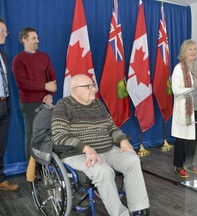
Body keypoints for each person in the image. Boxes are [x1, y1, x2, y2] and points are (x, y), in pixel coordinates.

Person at [51, 74, 150, 216]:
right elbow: (59, 136)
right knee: (103, 171)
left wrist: (123, 140)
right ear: (75, 91)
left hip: (106, 149)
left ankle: (139, 208)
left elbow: (111, 127)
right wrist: (86, 148)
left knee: (132, 160)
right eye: (88, 86)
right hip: (77, 154)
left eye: (93, 85)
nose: (93, 89)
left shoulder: (97, 104)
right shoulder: (63, 106)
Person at [12, 27, 57, 160]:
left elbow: (52, 78)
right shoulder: (18, 60)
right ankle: (32, 173)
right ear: (24, 40)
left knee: (48, 135)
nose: (38, 40)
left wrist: (50, 95)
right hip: (30, 104)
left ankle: (45, 168)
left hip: (46, 102)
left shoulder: (44, 57)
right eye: (34, 38)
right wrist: (44, 86)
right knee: (32, 136)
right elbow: (22, 83)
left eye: (37, 38)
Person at [171, 39, 197, 178]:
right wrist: (192, 88)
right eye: (190, 49)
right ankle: (178, 166)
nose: (193, 52)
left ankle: (189, 163)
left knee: (194, 138)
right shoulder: (179, 68)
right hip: (185, 109)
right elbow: (175, 89)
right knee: (182, 138)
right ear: (184, 52)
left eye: (195, 50)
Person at [0, 18, 19, 191]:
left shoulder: (4, 55)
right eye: (2, 30)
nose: (6, 34)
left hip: (4, 106)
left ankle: (0, 180)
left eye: (5, 30)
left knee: (0, 145)